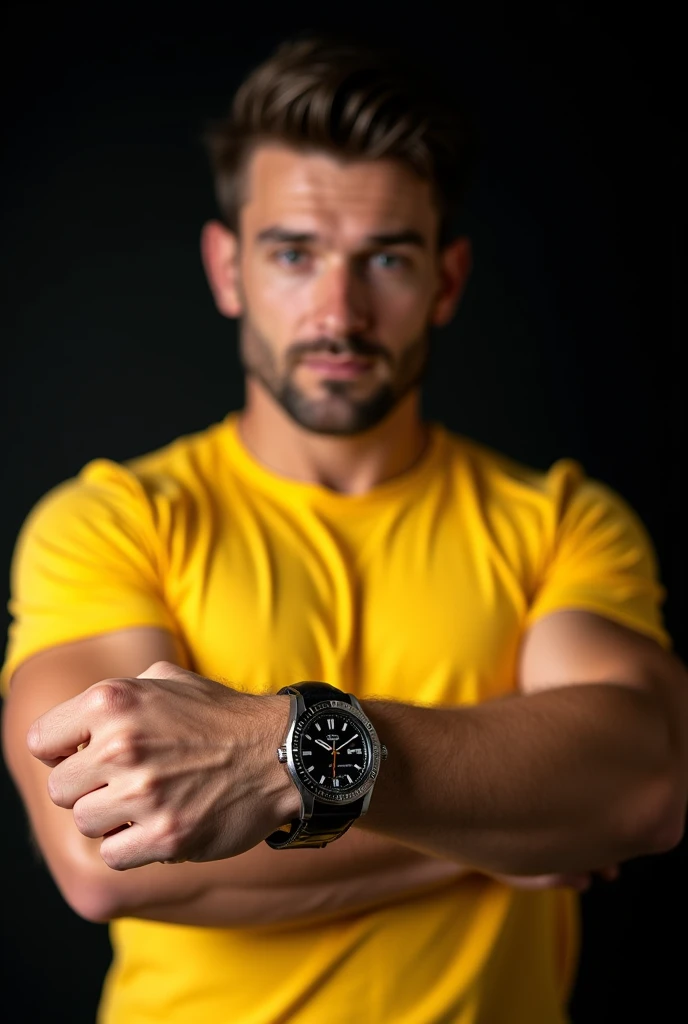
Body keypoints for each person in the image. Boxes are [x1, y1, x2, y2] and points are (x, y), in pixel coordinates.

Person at [2, 32, 687, 1024]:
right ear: (227, 269)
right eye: (294, 254)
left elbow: (642, 778)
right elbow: (102, 859)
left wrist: (268, 754)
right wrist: (509, 823)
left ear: (446, 283)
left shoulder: (562, 522)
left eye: (387, 259)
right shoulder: (112, 521)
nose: (340, 309)